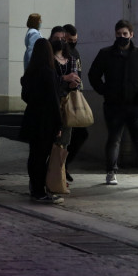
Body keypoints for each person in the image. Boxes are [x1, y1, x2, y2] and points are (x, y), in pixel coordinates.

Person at [88, 19, 138, 187]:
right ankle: (111, 172)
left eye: (125, 34)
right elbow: (93, 75)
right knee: (114, 139)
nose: (122, 36)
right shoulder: (105, 54)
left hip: (135, 106)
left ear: (131, 34)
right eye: (119, 34)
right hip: (114, 106)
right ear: (115, 34)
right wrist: (105, 91)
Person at [20, 38, 64, 204]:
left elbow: (25, 96)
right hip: (46, 121)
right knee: (42, 156)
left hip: (32, 117)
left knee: (34, 155)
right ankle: (39, 191)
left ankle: (35, 188)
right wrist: (59, 124)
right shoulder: (48, 72)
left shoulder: (30, 73)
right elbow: (53, 100)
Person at [50, 26, 81, 187]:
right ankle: (49, 175)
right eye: (56, 38)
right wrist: (64, 78)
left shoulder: (71, 59)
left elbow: (75, 80)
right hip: (52, 104)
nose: (60, 41)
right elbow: (49, 80)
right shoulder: (48, 58)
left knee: (64, 142)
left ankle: (59, 176)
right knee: (52, 142)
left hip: (67, 104)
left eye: (63, 39)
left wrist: (73, 82)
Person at [63, 24, 89, 181]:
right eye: (70, 40)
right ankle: (59, 167)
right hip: (63, 98)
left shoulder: (75, 52)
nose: (73, 43)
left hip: (75, 97)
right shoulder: (59, 52)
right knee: (64, 137)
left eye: (75, 40)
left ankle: (64, 164)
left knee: (81, 134)